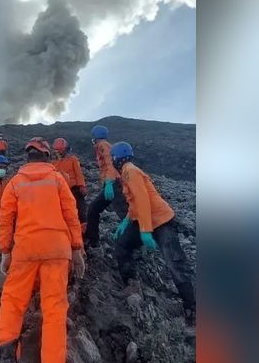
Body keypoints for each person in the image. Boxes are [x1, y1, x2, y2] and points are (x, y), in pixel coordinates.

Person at [0, 138, 86, 363]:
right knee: (54, 310)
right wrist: (77, 248)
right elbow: (72, 214)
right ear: (47, 157)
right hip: (57, 250)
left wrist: (5, 252)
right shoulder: (57, 180)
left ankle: (5, 357)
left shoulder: (14, 182)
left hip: (25, 249)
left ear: (27, 158)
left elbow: (6, 219)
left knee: (12, 300)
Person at [109, 141, 195, 321]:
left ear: (117, 158)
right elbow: (134, 204)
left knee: (175, 262)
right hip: (145, 220)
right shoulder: (126, 173)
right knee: (122, 246)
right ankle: (131, 285)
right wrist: (125, 222)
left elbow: (143, 201)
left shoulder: (130, 171)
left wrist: (145, 230)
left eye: (113, 157)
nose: (112, 160)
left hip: (161, 221)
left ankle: (192, 307)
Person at [83, 125, 125, 246]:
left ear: (96, 136)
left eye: (93, 136)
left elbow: (110, 164)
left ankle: (134, 241)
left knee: (123, 213)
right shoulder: (101, 146)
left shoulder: (103, 145)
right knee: (93, 209)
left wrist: (109, 182)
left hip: (114, 184)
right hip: (111, 183)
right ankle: (93, 239)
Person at [51, 137, 87, 224]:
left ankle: (85, 231)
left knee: (80, 212)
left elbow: (78, 173)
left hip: (74, 189)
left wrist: (82, 186)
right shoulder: (53, 163)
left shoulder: (73, 159)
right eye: (57, 150)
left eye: (60, 150)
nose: (58, 152)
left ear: (65, 149)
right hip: (60, 191)